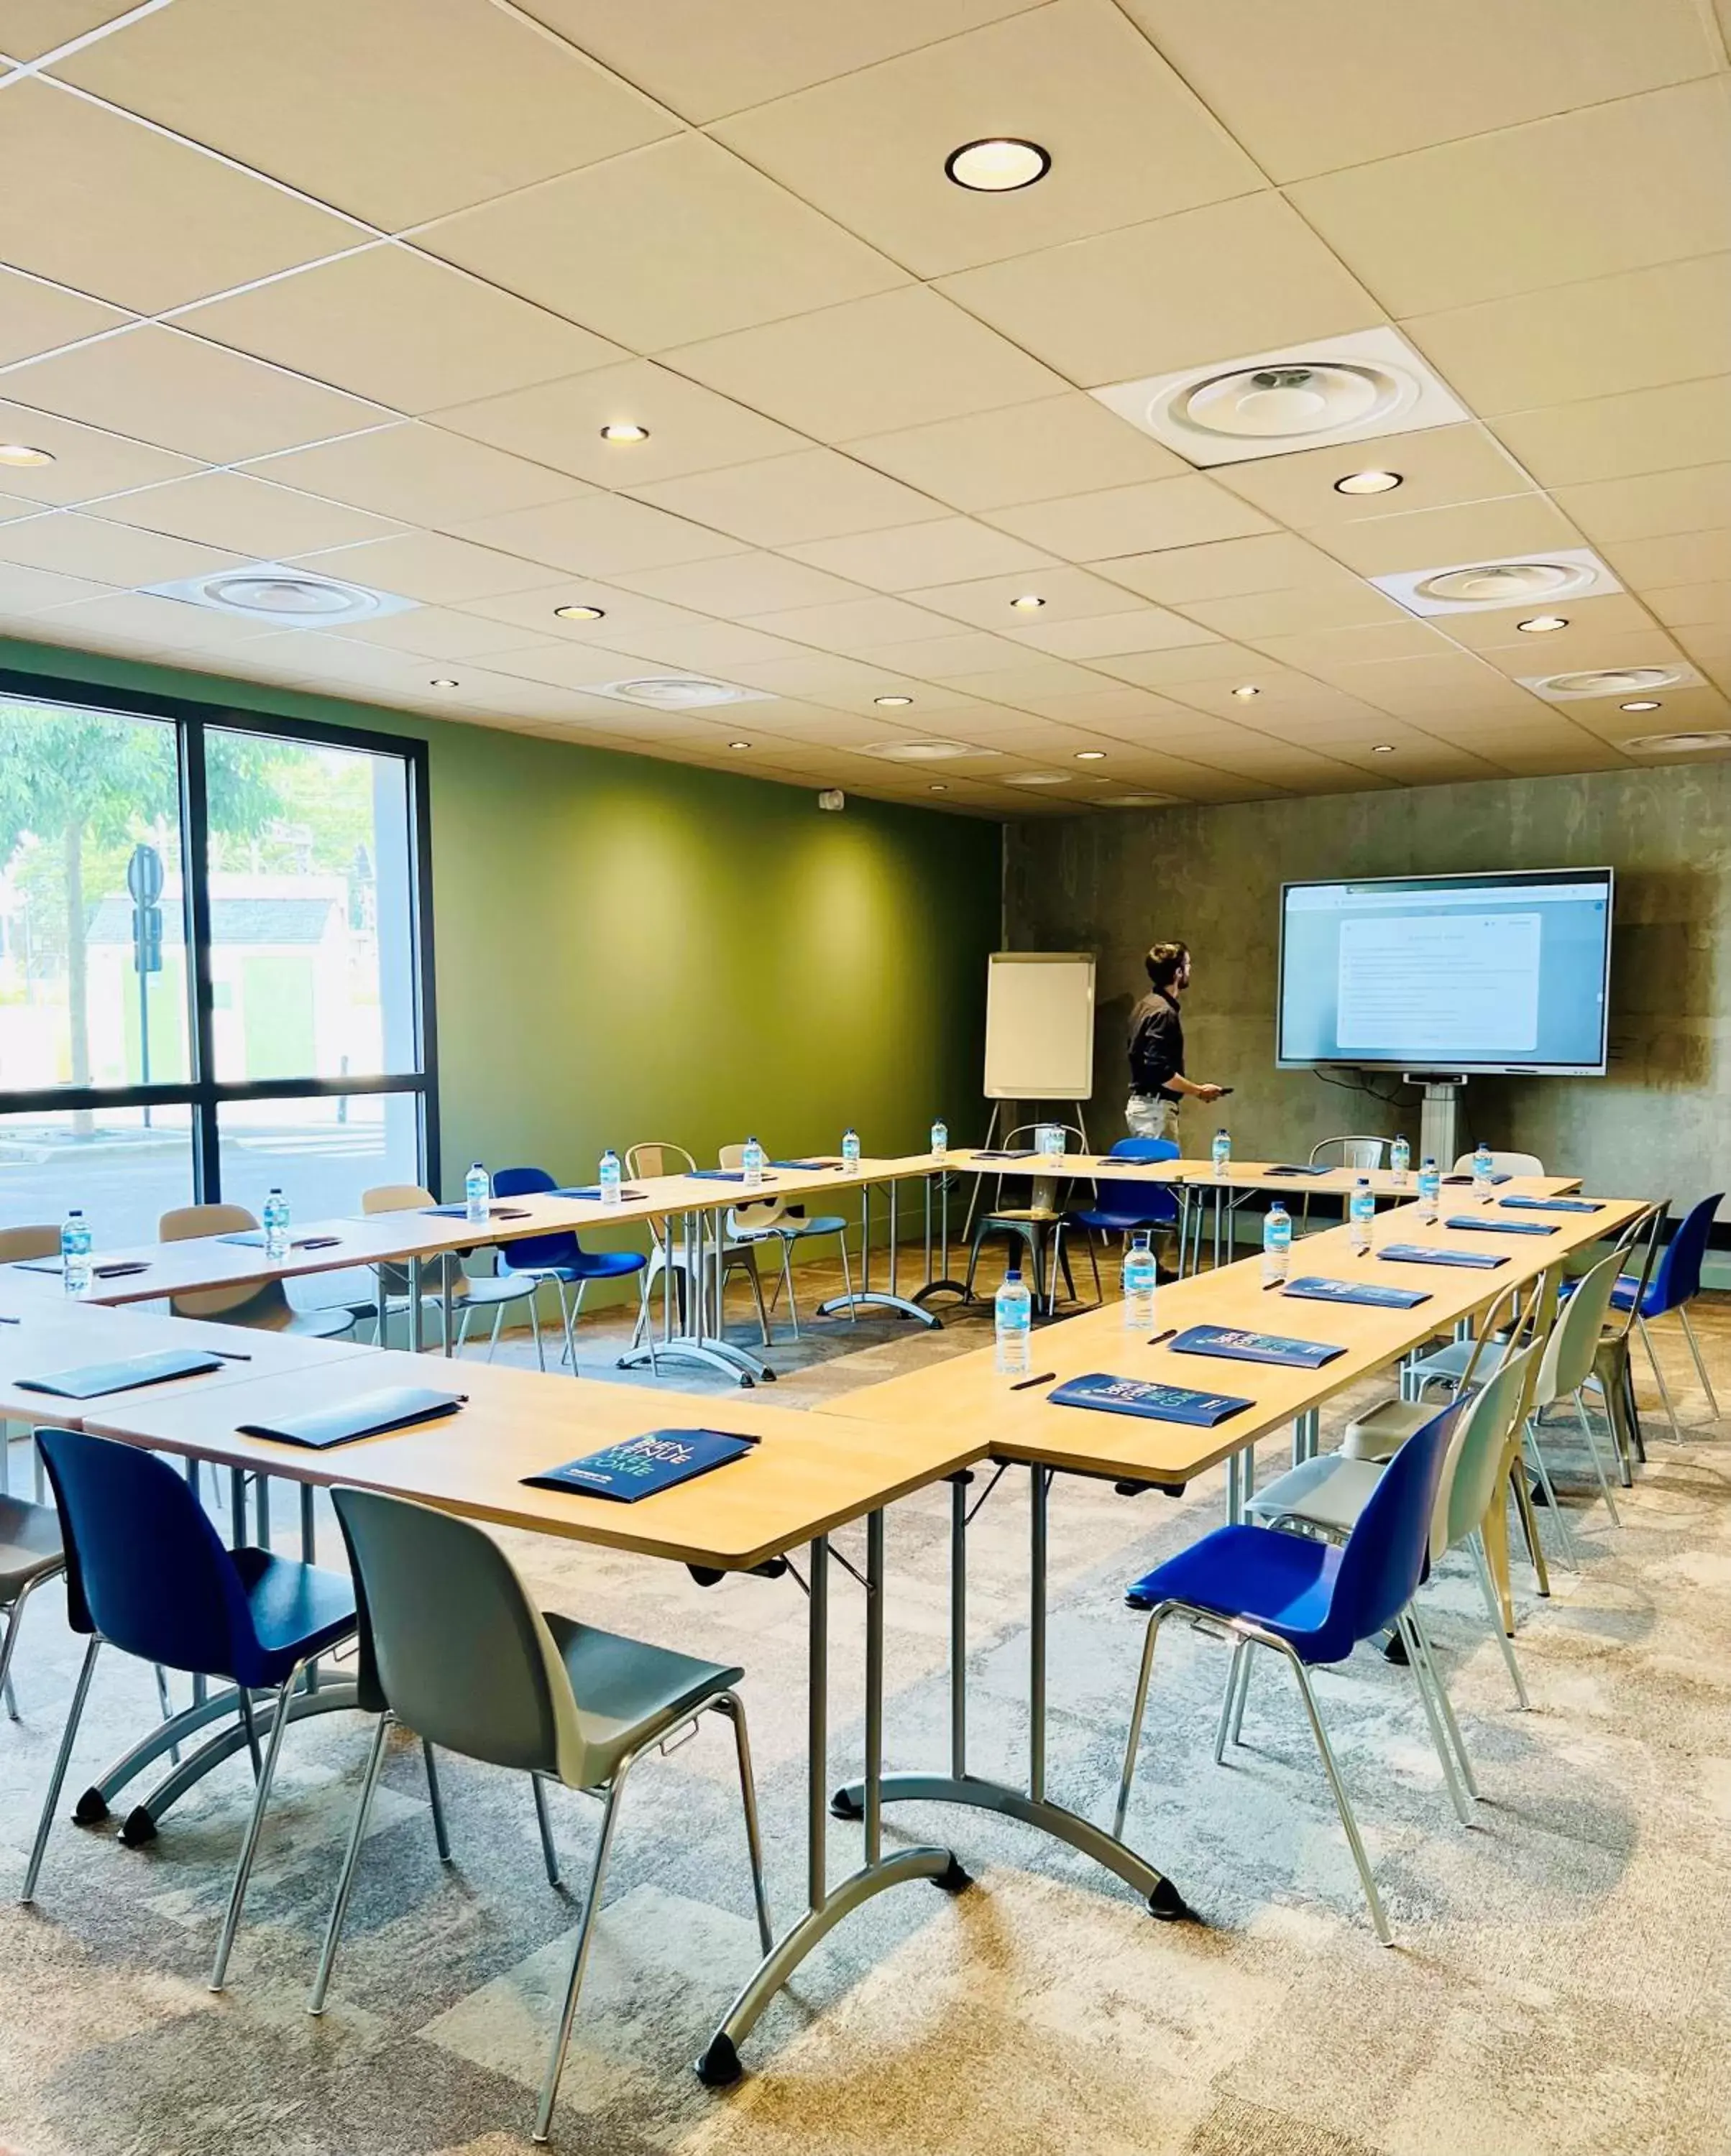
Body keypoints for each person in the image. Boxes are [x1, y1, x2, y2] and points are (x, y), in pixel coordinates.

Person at [1126, 941, 1225, 1141]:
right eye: (1187, 965)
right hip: (1155, 1112)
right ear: (1178, 973)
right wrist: (1199, 1091)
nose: (1190, 969)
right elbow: (1159, 1070)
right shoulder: (1163, 1013)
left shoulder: (1145, 1006)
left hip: (1146, 1109)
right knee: (1165, 1171)